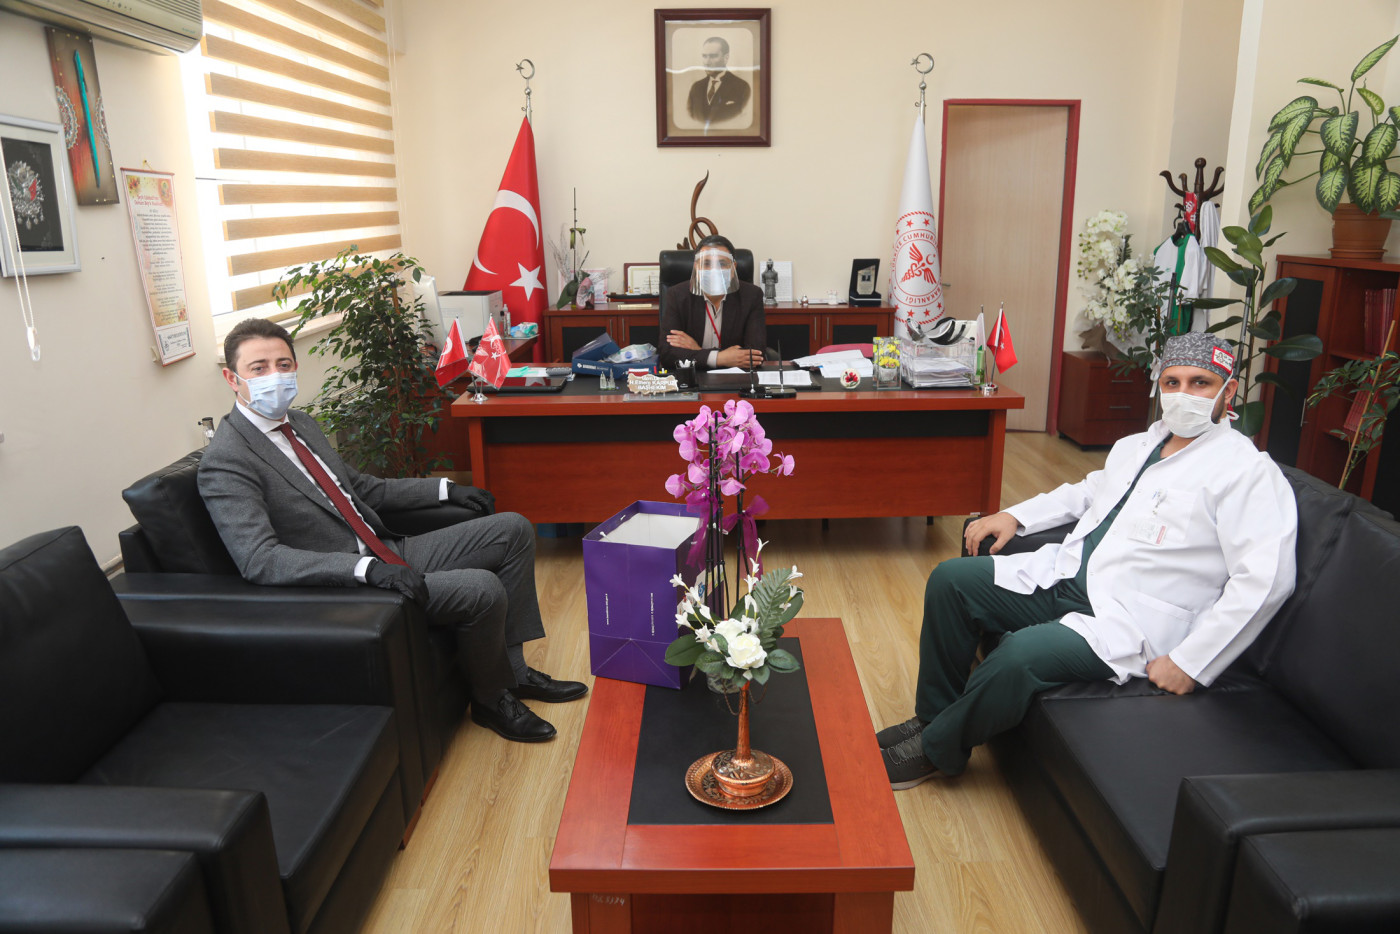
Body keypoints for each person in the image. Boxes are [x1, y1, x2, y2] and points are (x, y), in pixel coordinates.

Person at [877, 332, 1298, 789]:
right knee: (951, 581)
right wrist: (1016, 516)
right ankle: (932, 717)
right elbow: (1088, 492)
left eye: (1200, 383)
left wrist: (1192, 662)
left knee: (1019, 654)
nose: (1183, 395)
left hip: (1131, 619)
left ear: (1228, 391)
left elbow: (1267, 580)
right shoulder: (1139, 445)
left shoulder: (1246, 471)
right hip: (1072, 577)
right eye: (1172, 382)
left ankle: (936, 749)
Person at [198, 318, 587, 744]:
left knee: (513, 529)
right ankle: (492, 700)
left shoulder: (300, 423)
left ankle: (515, 672)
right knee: (481, 587)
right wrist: (364, 569)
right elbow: (260, 558)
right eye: (259, 368)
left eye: (283, 364)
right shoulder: (227, 459)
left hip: (385, 549)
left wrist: (445, 489)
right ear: (232, 379)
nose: (275, 375)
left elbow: (360, 488)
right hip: (345, 582)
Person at [658, 234, 766, 372]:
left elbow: (755, 354)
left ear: (733, 268)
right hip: (692, 376)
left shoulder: (751, 296)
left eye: (722, 264)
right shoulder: (677, 295)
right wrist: (720, 358)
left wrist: (698, 351)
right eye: (706, 264)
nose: (714, 270)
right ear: (696, 266)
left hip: (735, 378)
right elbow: (667, 354)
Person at [686, 37, 751, 126]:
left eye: (713, 56)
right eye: (704, 56)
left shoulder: (742, 87)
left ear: (726, 58)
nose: (707, 62)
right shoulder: (696, 87)